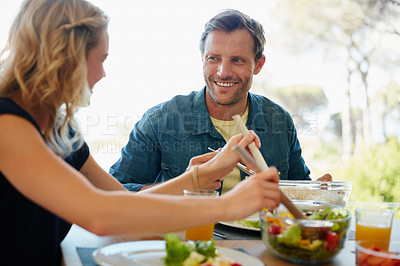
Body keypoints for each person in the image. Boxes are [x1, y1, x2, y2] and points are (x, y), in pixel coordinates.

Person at [0, 1, 281, 265]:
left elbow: (124, 203)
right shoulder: (7, 124)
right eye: (101, 58)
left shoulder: (60, 129)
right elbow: (101, 214)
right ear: (65, 58)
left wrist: (198, 176)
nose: (103, 73)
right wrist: (228, 206)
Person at [110, 9, 331, 193]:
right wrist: (184, 186)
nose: (223, 72)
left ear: (259, 64)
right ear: (202, 59)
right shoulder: (160, 121)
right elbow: (116, 192)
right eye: (213, 58)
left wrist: (317, 193)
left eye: (237, 60)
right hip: (188, 241)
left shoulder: (280, 121)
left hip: (257, 244)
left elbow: (297, 193)